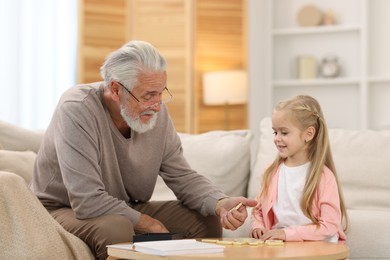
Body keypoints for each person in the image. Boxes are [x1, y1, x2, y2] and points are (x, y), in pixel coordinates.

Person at [30, 40, 257, 259]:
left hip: (122, 207)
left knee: (204, 218)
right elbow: (86, 199)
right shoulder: (76, 108)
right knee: (116, 228)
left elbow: (181, 175)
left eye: (161, 92)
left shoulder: (156, 113)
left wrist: (219, 203)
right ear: (116, 89)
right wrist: (146, 222)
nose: (158, 105)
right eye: (149, 95)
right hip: (61, 209)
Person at [250, 95, 348, 242]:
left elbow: (329, 225)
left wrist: (287, 234)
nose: (277, 138)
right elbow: (258, 211)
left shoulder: (323, 177)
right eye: (275, 132)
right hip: (282, 245)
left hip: (318, 246)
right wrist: (257, 227)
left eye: (284, 132)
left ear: (308, 134)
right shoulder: (271, 172)